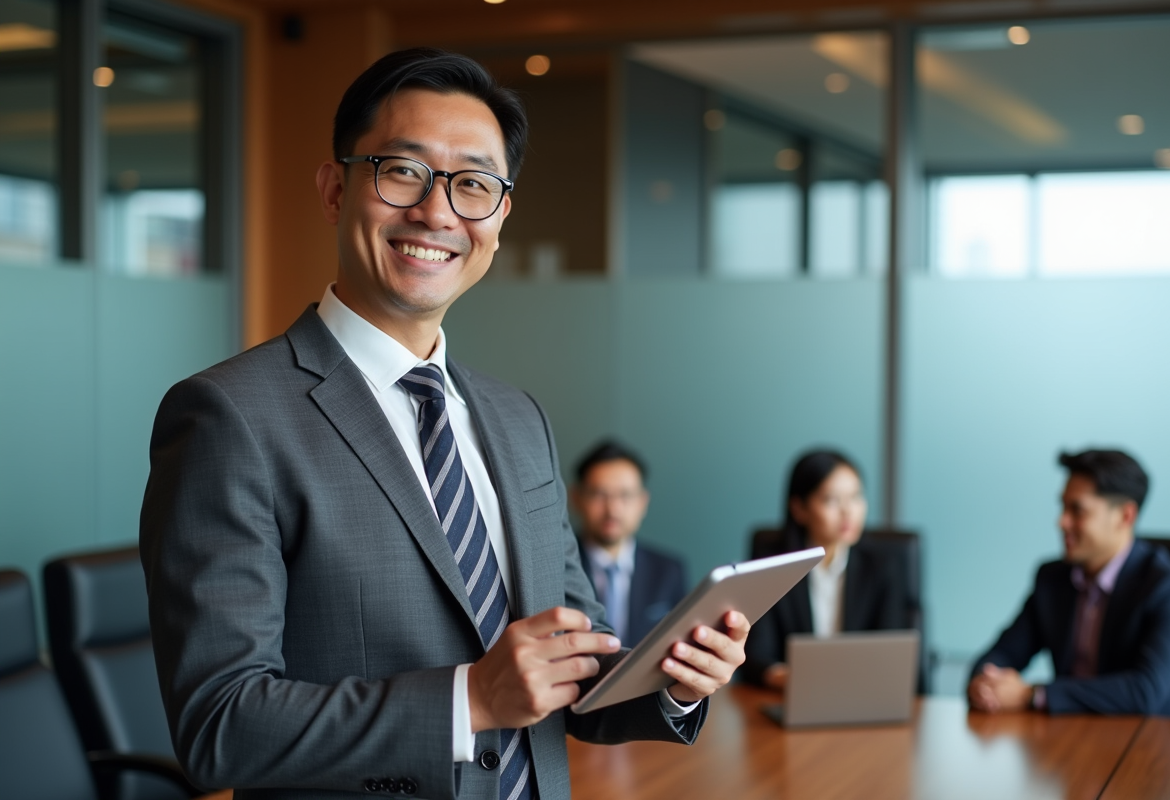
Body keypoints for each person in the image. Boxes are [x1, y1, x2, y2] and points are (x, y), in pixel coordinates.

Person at [139, 48, 749, 800]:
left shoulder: (517, 418)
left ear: (499, 217)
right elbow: (219, 727)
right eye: (402, 171)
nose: (436, 212)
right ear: (335, 189)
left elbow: (572, 667)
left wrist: (673, 676)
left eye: (473, 185)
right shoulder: (230, 417)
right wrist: (470, 700)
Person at [968, 449, 1170, 717]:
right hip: (1069, 736)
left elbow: (1144, 691)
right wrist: (985, 683)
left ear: (1125, 516)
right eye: (1062, 507)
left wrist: (1032, 694)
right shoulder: (1052, 578)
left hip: (1150, 743)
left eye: (1077, 511)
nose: (1062, 522)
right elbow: (1003, 653)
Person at [742, 449, 910, 688]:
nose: (848, 511)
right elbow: (757, 653)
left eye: (856, 497)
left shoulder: (884, 566)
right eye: (831, 500)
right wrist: (786, 678)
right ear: (799, 508)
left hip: (862, 696)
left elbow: (892, 654)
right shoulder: (772, 566)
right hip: (790, 696)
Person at [571, 440, 688, 646]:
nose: (613, 510)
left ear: (643, 502)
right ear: (576, 498)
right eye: (599, 495)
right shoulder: (556, 569)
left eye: (625, 495)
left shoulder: (669, 570)